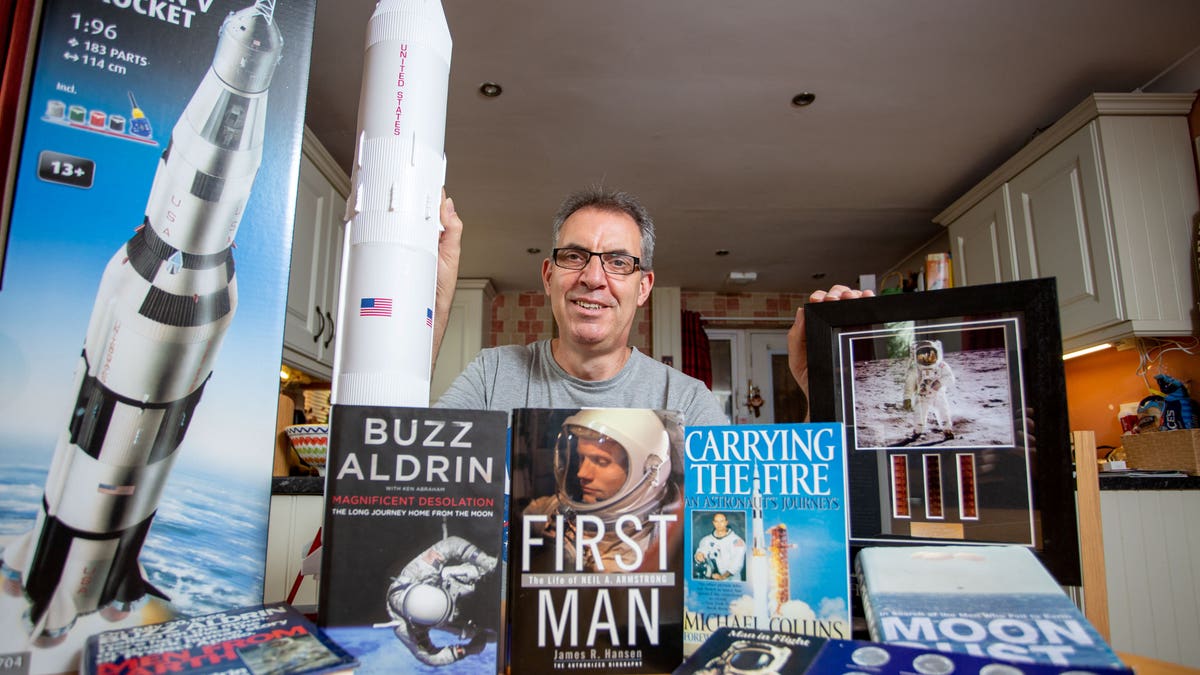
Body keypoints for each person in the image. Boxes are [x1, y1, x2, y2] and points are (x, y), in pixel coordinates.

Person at [431, 187, 873, 419]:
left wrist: (825, 393)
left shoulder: (686, 402)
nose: (592, 277)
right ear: (549, 276)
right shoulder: (492, 378)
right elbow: (398, 473)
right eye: (574, 256)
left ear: (643, 288)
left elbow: (761, 517)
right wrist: (430, 303)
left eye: (618, 262)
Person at [523, 408, 681, 573]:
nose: (582, 473)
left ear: (652, 470)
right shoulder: (547, 510)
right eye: (581, 458)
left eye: (601, 461)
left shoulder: (667, 547)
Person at [693, 512, 746, 581]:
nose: (719, 524)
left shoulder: (737, 541)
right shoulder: (706, 540)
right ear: (713, 523)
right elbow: (701, 552)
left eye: (721, 521)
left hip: (731, 582)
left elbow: (737, 564)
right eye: (716, 521)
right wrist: (699, 556)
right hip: (710, 579)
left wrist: (723, 577)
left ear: (726, 522)